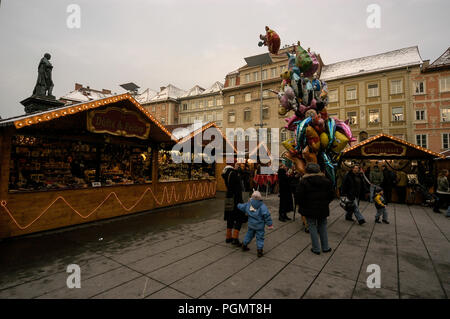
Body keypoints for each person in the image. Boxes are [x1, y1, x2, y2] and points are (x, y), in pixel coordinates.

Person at [296, 163, 334, 255]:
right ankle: (326, 247)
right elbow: (331, 195)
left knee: (312, 226)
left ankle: (316, 248)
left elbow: (298, 196)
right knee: (323, 226)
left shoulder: (304, 181)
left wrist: (303, 205)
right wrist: (325, 202)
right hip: (322, 208)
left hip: (309, 208)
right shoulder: (326, 181)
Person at [238, 191, 273, 257]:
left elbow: (242, 206)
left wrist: (238, 205)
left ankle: (244, 245)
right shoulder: (262, 206)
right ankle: (259, 250)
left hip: (251, 225)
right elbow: (267, 216)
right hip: (259, 226)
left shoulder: (249, 204)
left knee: (249, 235)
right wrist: (270, 224)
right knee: (260, 238)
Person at [222, 163, 246, 246]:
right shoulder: (234, 174)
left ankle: (228, 237)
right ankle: (235, 238)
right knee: (239, 218)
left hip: (228, 197)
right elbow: (238, 187)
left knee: (230, 218)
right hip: (236, 198)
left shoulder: (225, 174)